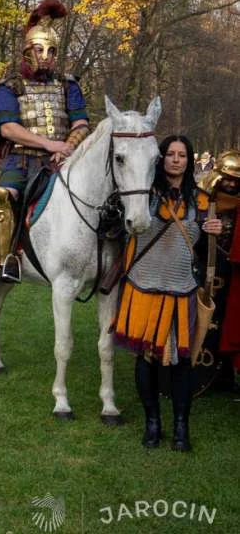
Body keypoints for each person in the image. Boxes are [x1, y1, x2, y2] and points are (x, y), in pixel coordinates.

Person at [111, 135, 222, 451]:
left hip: (182, 289)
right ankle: (153, 423)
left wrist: (213, 231)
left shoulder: (201, 201)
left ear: (189, 160)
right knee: (146, 360)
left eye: (182, 155)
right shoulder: (142, 195)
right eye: (170, 154)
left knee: (181, 363)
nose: (176, 159)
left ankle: (181, 428)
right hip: (143, 288)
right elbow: (118, 227)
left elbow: (200, 249)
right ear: (161, 159)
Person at [0, 0, 90, 282]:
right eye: (40, 50)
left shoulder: (68, 85)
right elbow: (8, 129)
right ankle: (9, 261)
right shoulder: (10, 87)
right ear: (27, 51)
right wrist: (49, 144)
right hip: (21, 159)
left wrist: (68, 146)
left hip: (62, 159)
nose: (46, 56)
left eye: (51, 51)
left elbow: (81, 123)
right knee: (7, 196)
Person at [198, 150, 240, 392]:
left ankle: (224, 377)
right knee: (202, 324)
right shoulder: (202, 198)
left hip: (229, 273)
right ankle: (197, 371)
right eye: (228, 178)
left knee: (226, 323)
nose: (232, 184)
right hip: (203, 268)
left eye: (237, 180)